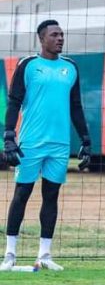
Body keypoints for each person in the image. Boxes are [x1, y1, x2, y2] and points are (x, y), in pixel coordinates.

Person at [0, 19, 91, 272]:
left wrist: (86, 139)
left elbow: (76, 107)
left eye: (62, 34)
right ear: (42, 39)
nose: (60, 38)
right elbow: (14, 101)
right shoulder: (28, 65)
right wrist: (9, 136)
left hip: (59, 146)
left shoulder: (71, 68)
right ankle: (9, 255)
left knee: (51, 197)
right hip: (31, 143)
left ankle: (45, 255)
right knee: (21, 195)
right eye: (54, 35)